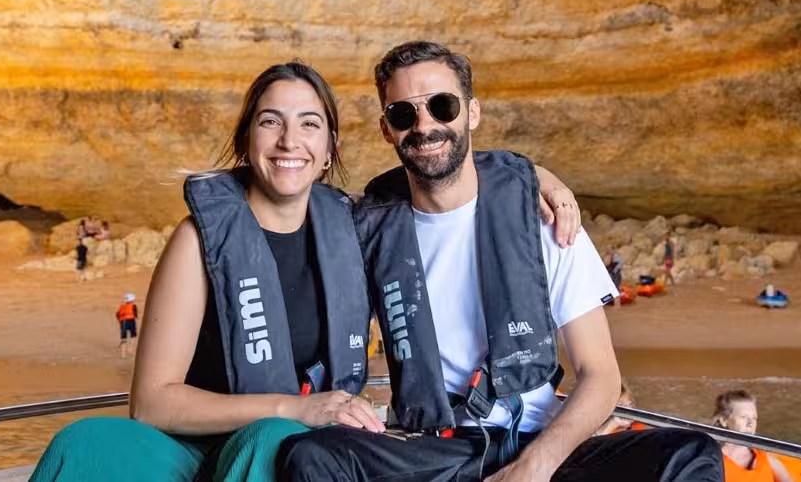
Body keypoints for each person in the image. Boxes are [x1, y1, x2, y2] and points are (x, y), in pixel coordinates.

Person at [29, 61, 581, 482]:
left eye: (309, 124)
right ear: (248, 138)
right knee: (86, 443)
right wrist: (296, 407)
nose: (290, 141)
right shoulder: (198, 240)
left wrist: (529, 174)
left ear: (329, 148)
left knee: (276, 442)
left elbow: (441, 170)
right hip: (199, 443)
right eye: (271, 122)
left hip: (282, 449)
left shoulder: (355, 229)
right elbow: (151, 404)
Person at [277, 41, 720, 482]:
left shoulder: (543, 220)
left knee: (690, 453)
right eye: (403, 114)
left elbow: (601, 376)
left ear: (471, 113)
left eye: (442, 106)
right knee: (312, 456)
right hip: (434, 448)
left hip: (538, 442)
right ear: (386, 129)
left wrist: (534, 467)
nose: (425, 126)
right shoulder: (370, 229)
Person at [713, 390, 793, 482]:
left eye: (754, 418)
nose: (750, 423)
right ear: (724, 421)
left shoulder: (766, 458)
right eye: (743, 417)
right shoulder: (712, 461)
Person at [117, 292, 140, 358]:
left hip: (123, 322)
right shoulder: (133, 306)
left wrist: (120, 322)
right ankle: (130, 348)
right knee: (133, 335)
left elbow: (118, 315)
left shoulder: (122, 307)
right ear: (132, 300)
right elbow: (135, 315)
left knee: (123, 338)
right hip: (130, 320)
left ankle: (123, 355)